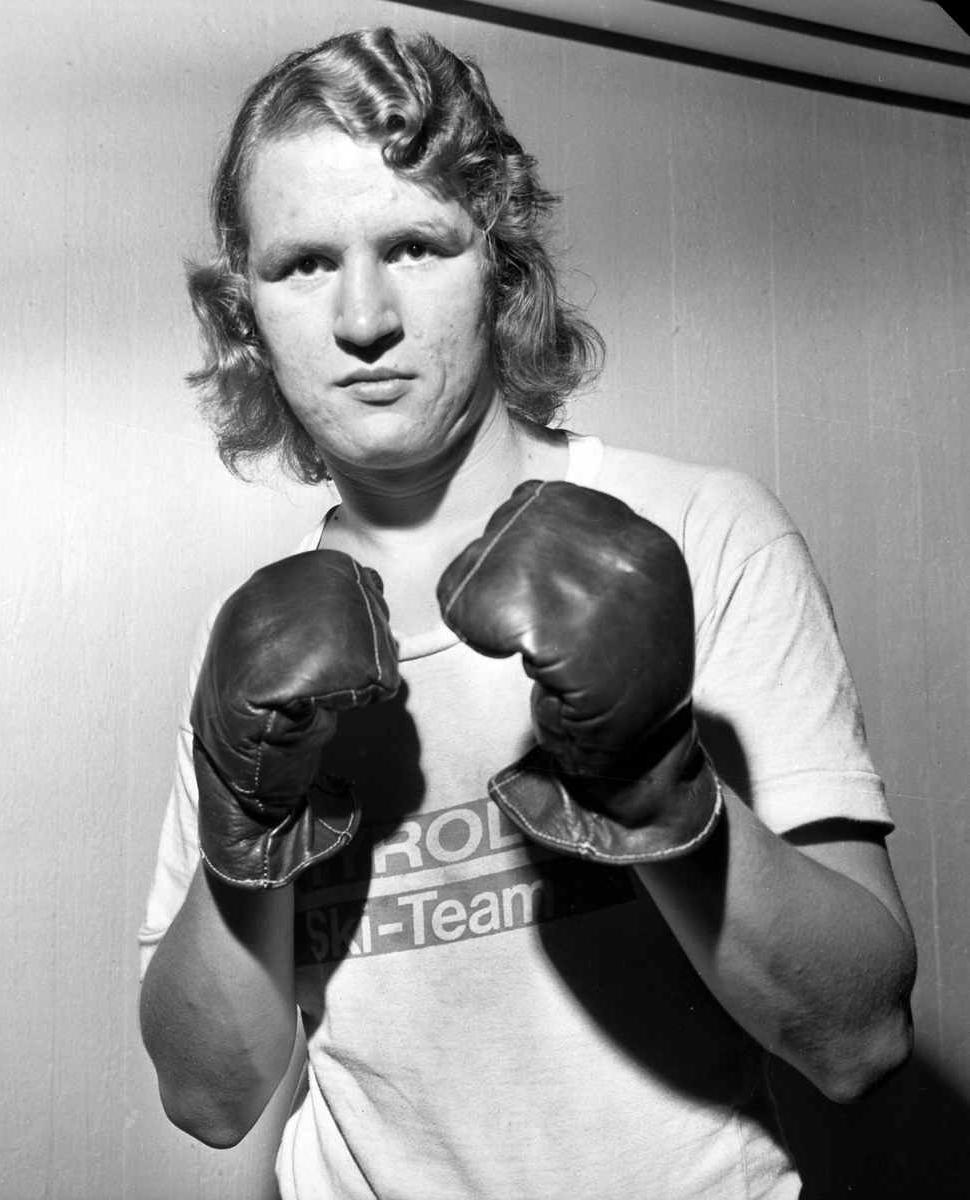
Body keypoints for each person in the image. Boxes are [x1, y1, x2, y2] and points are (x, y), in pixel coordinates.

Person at [138, 27, 916, 1200]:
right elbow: (208, 1098)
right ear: (244, 308)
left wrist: (654, 788)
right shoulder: (252, 638)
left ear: (499, 267)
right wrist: (246, 826)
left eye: (413, 245)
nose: (362, 317)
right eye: (302, 264)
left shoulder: (697, 529)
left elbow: (860, 1041)